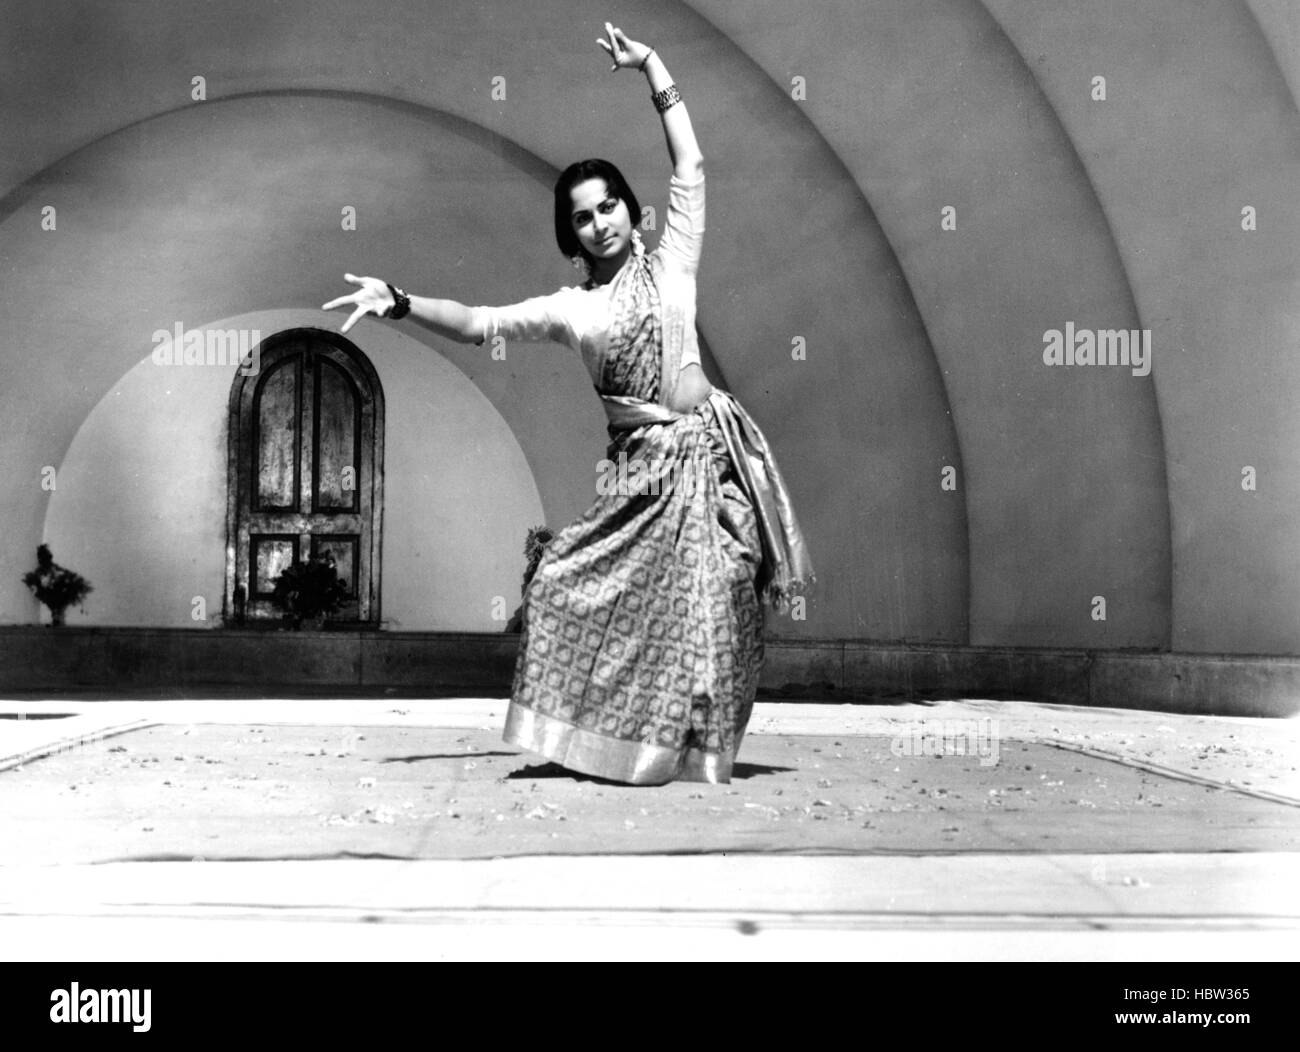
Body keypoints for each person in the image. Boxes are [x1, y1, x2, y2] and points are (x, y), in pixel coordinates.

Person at [324, 23, 812, 785]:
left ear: (628, 209)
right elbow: (482, 323)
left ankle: (695, 755)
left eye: (611, 204)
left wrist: (652, 67)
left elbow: (691, 163)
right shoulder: (570, 309)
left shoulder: (676, 262)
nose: (602, 221)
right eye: (584, 215)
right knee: (558, 585)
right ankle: (609, 745)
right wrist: (401, 301)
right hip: (639, 481)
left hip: (711, 466)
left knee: (721, 603)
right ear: (571, 234)